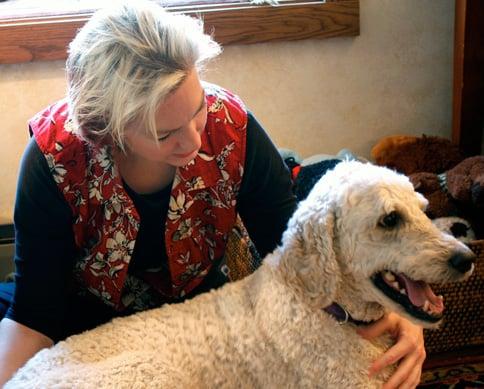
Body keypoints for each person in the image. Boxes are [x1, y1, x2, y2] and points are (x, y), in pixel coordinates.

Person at [0, 1, 425, 387]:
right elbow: (36, 315)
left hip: (195, 314)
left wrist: (403, 307)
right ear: (109, 133)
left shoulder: (231, 125)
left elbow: (303, 255)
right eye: (165, 133)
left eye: (197, 108)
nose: (194, 140)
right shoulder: (55, 158)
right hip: (80, 318)